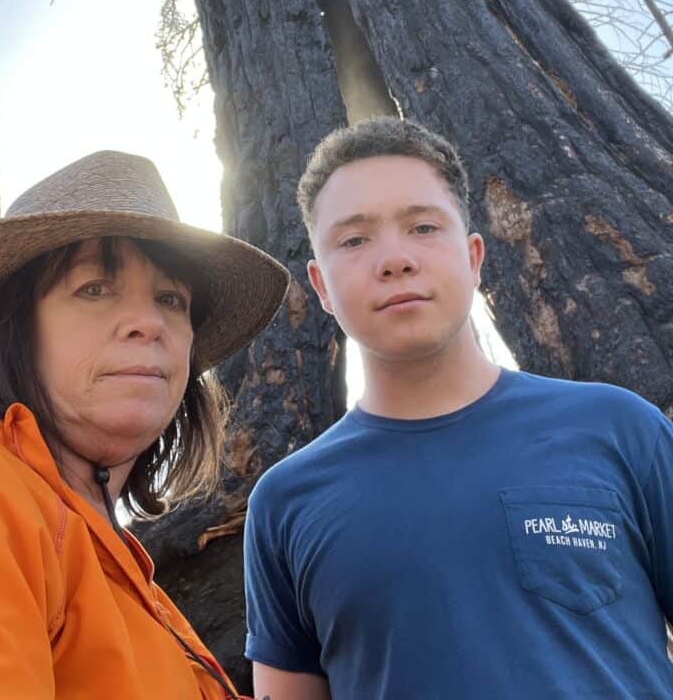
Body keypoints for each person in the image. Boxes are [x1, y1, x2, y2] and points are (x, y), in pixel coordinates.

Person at [244, 117, 673, 699]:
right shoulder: (285, 502)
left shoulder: (620, 430)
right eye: (354, 239)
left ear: (473, 257)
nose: (394, 260)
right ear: (320, 286)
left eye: (422, 226)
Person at [0, 149, 289, 699]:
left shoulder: (111, 554)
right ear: (9, 328)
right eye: (93, 288)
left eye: (171, 299)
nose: (149, 322)